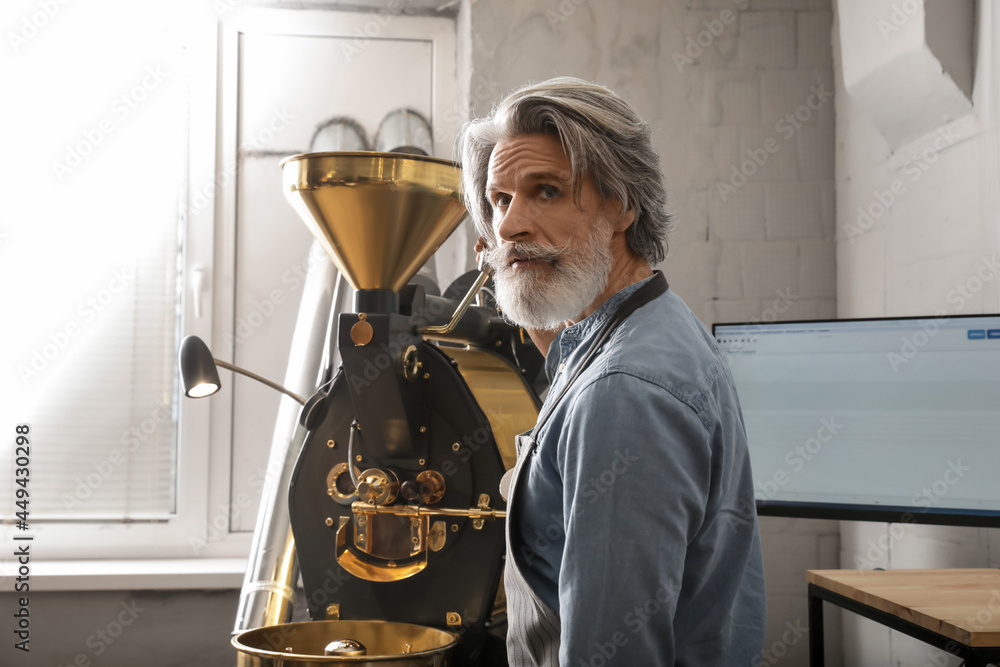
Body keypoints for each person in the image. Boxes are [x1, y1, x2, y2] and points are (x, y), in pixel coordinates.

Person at [458, 77, 766, 666]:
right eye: (500, 200)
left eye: (545, 191)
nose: (509, 227)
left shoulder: (624, 392)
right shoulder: (652, 327)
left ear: (623, 204)